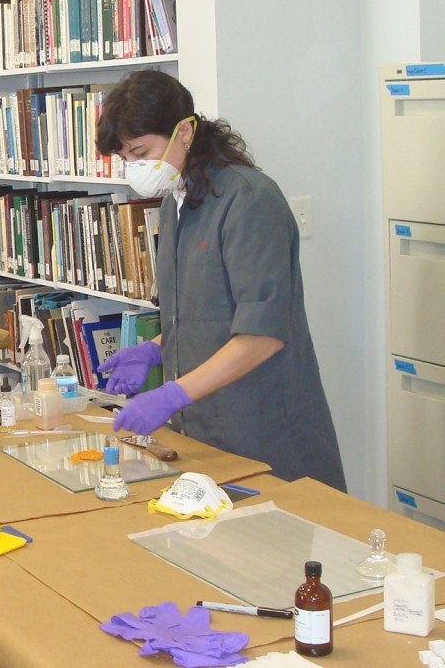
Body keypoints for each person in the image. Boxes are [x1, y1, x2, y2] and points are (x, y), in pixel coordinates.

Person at [95, 70, 346, 491]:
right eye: (126, 159)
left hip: (263, 428)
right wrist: (155, 350)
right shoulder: (178, 202)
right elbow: (205, 316)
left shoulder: (248, 200)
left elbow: (263, 335)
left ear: (186, 132)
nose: (136, 168)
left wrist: (172, 394)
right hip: (205, 429)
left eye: (142, 152)